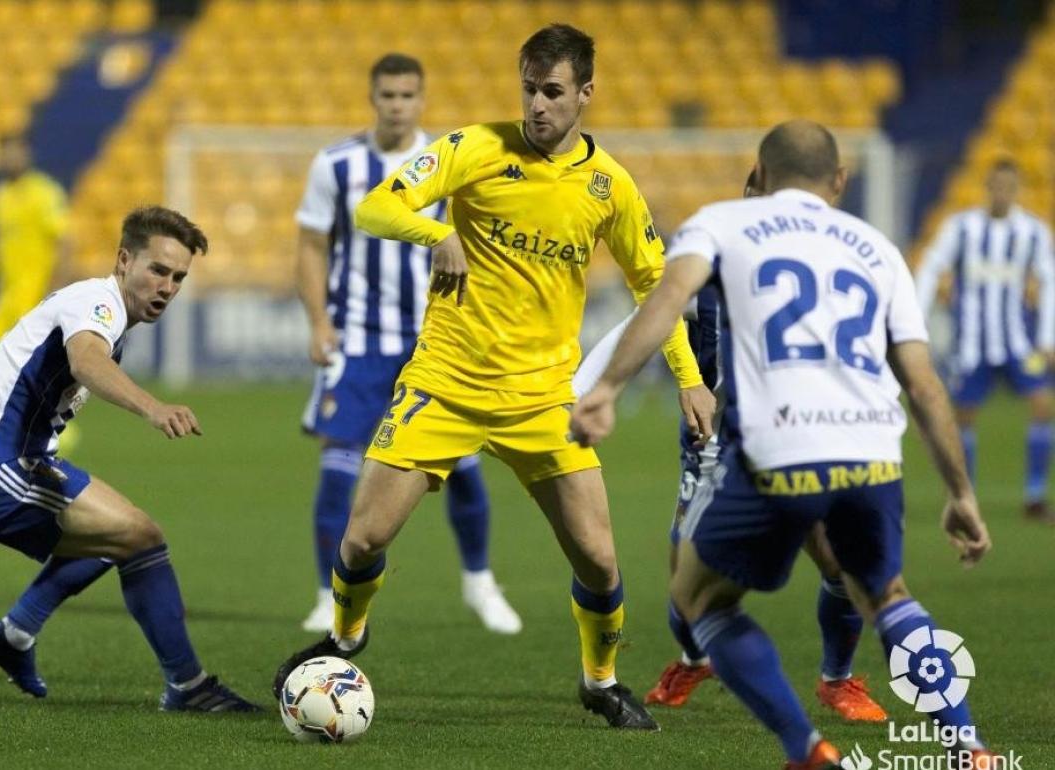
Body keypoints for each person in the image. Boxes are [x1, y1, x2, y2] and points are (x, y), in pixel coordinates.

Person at [273, 24, 716, 729]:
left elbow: (654, 286)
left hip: (543, 397)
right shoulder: (475, 147)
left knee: (599, 561)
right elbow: (376, 205)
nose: (537, 106)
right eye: (528, 90)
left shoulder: (611, 187)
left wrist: (689, 379)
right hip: (445, 381)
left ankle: (600, 682)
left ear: (585, 94)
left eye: (552, 92)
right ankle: (346, 639)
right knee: (361, 542)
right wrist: (438, 232)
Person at [572, 120, 995, 769]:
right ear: (841, 181)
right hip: (871, 453)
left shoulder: (721, 224)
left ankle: (804, 748)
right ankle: (966, 746)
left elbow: (660, 301)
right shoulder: (876, 248)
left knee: (701, 598)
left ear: (762, 178)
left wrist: (602, 390)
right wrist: (960, 493)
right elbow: (925, 386)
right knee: (889, 597)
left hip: (778, 449)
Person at [0, 206, 261, 713]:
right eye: (157, 270)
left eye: (178, 277)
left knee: (115, 538)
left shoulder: (98, 306)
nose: (168, 286)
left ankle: (16, 636)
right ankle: (188, 686)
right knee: (140, 536)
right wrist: (152, 408)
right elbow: (85, 361)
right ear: (123, 260)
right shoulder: (98, 303)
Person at [572, 171, 887, 723]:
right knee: (685, 584)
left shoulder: (812, 275)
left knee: (839, 563)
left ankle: (837, 679)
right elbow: (638, 323)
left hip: (792, 440)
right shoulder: (707, 274)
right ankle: (695, 658)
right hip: (715, 448)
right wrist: (586, 391)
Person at [295, 53, 520, 635]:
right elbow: (312, 247)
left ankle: (479, 580)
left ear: (422, 100)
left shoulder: (446, 162)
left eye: (407, 95)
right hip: (358, 340)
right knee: (338, 469)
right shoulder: (336, 165)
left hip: (435, 338)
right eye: (388, 95)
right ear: (373, 98)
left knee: (464, 467)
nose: (397, 105)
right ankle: (327, 591)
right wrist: (318, 321)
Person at [916, 158, 1055, 523]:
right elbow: (932, 266)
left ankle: (1035, 497)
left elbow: (1050, 279)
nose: (1002, 193)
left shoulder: (1033, 232)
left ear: (1017, 190)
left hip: (1017, 341)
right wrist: (917, 318)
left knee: (1042, 404)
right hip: (972, 343)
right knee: (963, 418)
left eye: (1009, 187)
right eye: (996, 186)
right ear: (987, 187)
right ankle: (965, 496)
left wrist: (1047, 336)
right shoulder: (961, 228)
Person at [0, 134, 72, 352]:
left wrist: (55, 289)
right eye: (6, 154)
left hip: (35, 295)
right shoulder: (0, 196)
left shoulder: (44, 193)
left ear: (26, 155)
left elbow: (65, 243)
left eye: (15, 153)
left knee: (20, 362)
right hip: (7, 296)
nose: (11, 159)